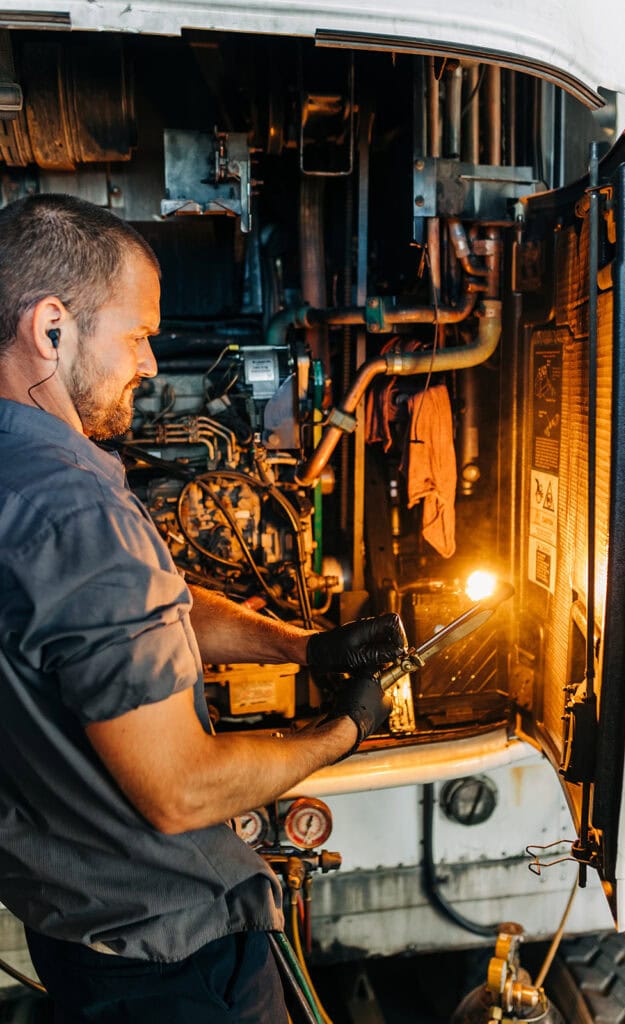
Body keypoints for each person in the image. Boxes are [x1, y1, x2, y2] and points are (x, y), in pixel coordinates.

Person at [0, 193, 406, 1022]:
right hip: (170, 961)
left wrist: (300, 648)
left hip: (78, 926)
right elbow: (180, 792)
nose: (149, 364)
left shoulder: (26, 477)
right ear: (51, 328)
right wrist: (343, 730)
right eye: (138, 334)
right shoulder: (74, 508)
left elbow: (156, 611)